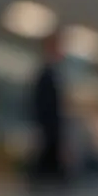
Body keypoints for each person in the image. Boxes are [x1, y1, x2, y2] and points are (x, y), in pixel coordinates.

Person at [28, 32, 67, 183]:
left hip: (51, 131)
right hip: (47, 130)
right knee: (45, 171)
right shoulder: (44, 75)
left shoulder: (55, 75)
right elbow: (41, 106)